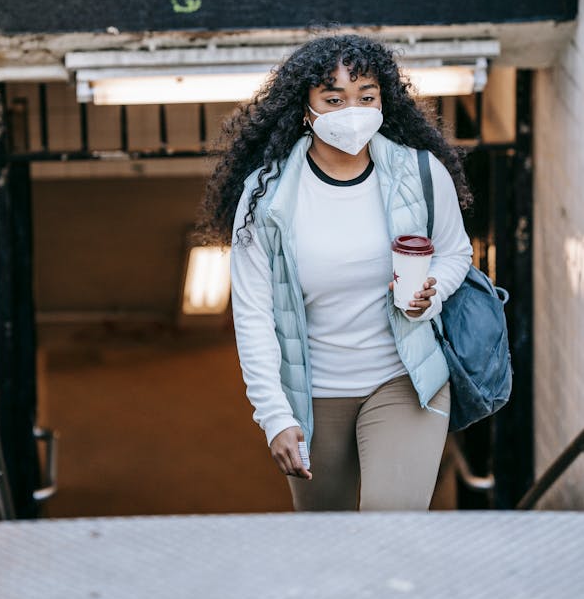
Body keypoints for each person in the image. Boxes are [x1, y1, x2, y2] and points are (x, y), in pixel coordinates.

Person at [201, 34, 473, 511]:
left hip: (404, 380)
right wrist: (275, 416)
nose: (353, 111)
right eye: (334, 98)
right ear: (304, 108)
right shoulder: (265, 200)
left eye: (366, 96)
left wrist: (434, 292)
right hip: (312, 395)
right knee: (331, 548)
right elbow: (253, 315)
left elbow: (455, 253)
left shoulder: (423, 174)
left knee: (391, 529)